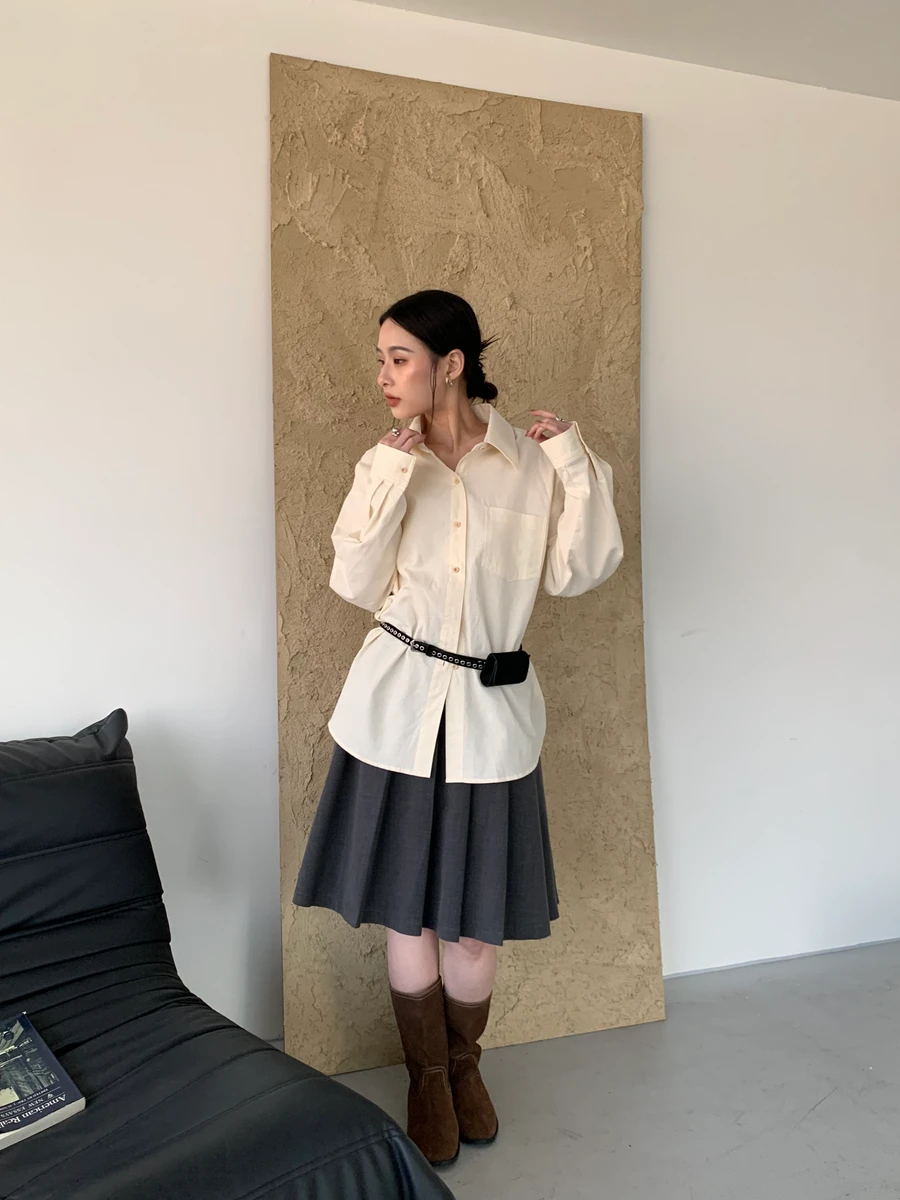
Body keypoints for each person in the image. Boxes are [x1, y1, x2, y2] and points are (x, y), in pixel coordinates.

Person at [293, 289, 623, 1168]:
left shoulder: (531, 463)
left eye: (398, 357)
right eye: (381, 358)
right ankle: (427, 1078)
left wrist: (575, 462)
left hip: (492, 714)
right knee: (410, 913)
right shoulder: (389, 462)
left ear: (451, 363)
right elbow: (353, 582)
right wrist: (387, 474)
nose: (383, 375)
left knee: (475, 924)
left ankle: (465, 1065)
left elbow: (581, 570)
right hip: (397, 710)